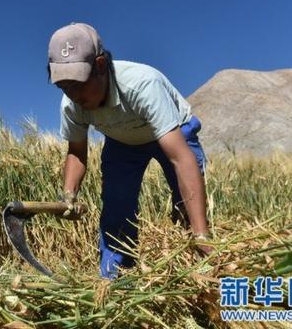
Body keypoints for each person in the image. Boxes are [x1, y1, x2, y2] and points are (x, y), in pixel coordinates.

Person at [47, 22, 212, 279]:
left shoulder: (142, 85)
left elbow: (181, 158)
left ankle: (201, 264)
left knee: (188, 204)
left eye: (78, 84)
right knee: (116, 208)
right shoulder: (71, 103)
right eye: (64, 86)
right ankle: (114, 279)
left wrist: (201, 235)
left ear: (100, 66)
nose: (72, 94)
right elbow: (77, 152)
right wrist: (68, 196)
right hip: (123, 140)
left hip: (173, 132)